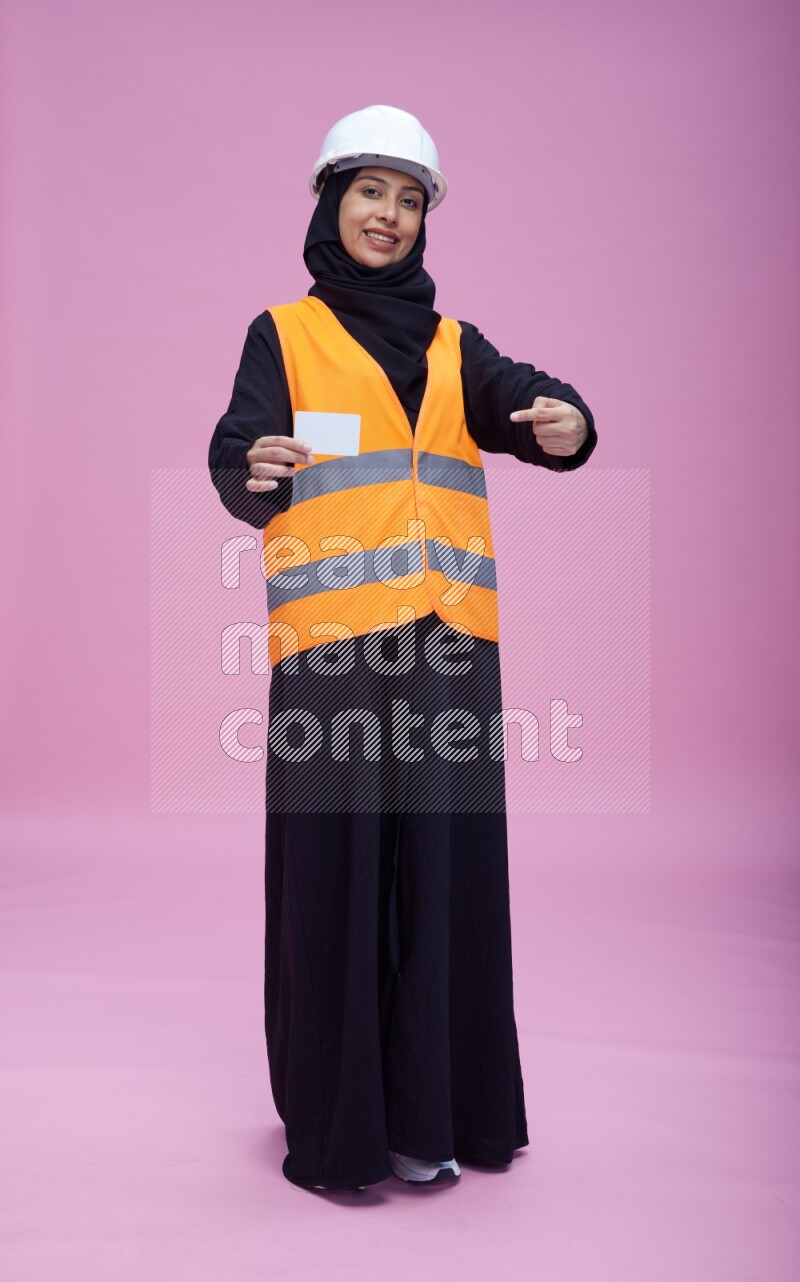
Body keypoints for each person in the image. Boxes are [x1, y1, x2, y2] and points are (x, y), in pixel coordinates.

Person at [208, 104, 597, 1194]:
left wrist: (563, 418)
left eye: (409, 197)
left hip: (447, 645)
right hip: (332, 650)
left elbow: (518, 399)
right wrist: (257, 467)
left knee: (444, 875)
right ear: (332, 201)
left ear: (426, 219)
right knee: (334, 881)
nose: (389, 214)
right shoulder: (280, 335)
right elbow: (236, 450)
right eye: (370, 191)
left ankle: (433, 1118)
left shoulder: (450, 344)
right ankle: (339, 1133)